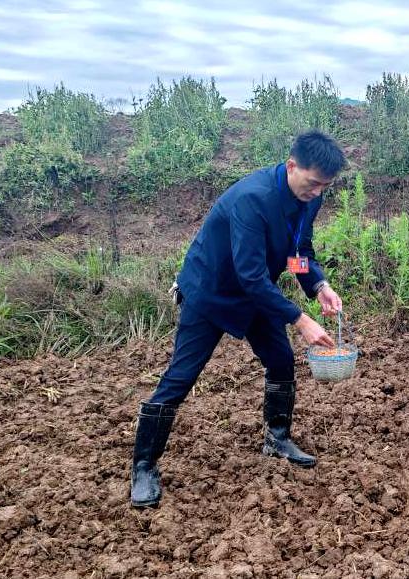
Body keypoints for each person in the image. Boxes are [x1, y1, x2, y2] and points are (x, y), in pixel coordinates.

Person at [130, 130, 345, 508]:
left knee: (280, 359)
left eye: (324, 186)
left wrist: (319, 286)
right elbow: (250, 275)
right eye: (313, 183)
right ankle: (144, 466)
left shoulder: (310, 197)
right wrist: (300, 319)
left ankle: (277, 439)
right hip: (211, 292)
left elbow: (298, 252)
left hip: (256, 292)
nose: (318, 192)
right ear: (291, 165)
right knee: (181, 376)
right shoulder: (252, 199)